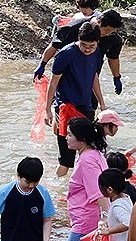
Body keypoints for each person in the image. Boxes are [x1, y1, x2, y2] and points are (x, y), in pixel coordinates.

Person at [43, 23, 107, 177]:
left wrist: (102, 103)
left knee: (89, 151)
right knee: (66, 159)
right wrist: (47, 111)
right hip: (66, 109)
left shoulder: (97, 52)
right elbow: (53, 83)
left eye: (91, 46)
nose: (87, 49)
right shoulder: (66, 54)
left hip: (85, 107)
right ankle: (57, 190)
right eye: (84, 45)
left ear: (98, 42)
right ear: (78, 39)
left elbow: (94, 77)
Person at [59, 118, 108, 241]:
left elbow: (99, 192)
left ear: (82, 139)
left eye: (70, 134)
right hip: (90, 219)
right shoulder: (94, 154)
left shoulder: (87, 161)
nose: (66, 137)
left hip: (86, 222)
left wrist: (104, 218)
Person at [39, 10, 124, 92]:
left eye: (112, 32)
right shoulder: (74, 27)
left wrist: (116, 77)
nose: (109, 34)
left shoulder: (113, 38)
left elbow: (113, 58)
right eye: (107, 30)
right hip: (68, 71)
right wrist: (42, 64)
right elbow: (54, 46)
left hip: (91, 74)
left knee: (91, 103)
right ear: (99, 21)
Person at [97, 169, 132, 241]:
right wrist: (107, 222)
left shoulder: (117, 206)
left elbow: (128, 223)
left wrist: (108, 231)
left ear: (109, 189)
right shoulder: (126, 198)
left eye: (101, 188)